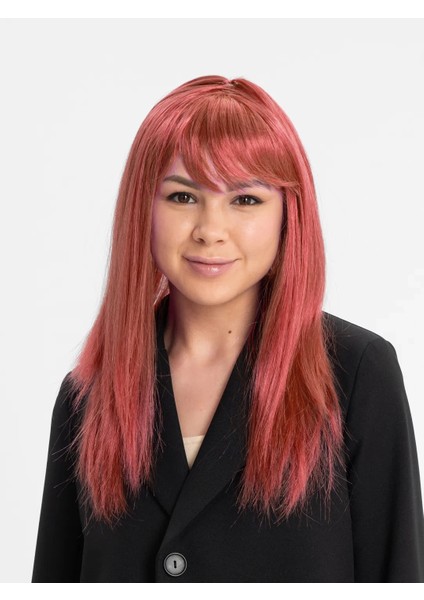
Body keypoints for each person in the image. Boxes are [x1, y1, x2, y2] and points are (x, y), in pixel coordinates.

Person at [32, 75, 424, 583]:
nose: (210, 230)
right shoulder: (87, 397)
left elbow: (399, 575)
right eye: (182, 197)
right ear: (142, 209)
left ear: (288, 215)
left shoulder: (355, 375)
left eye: (245, 200)